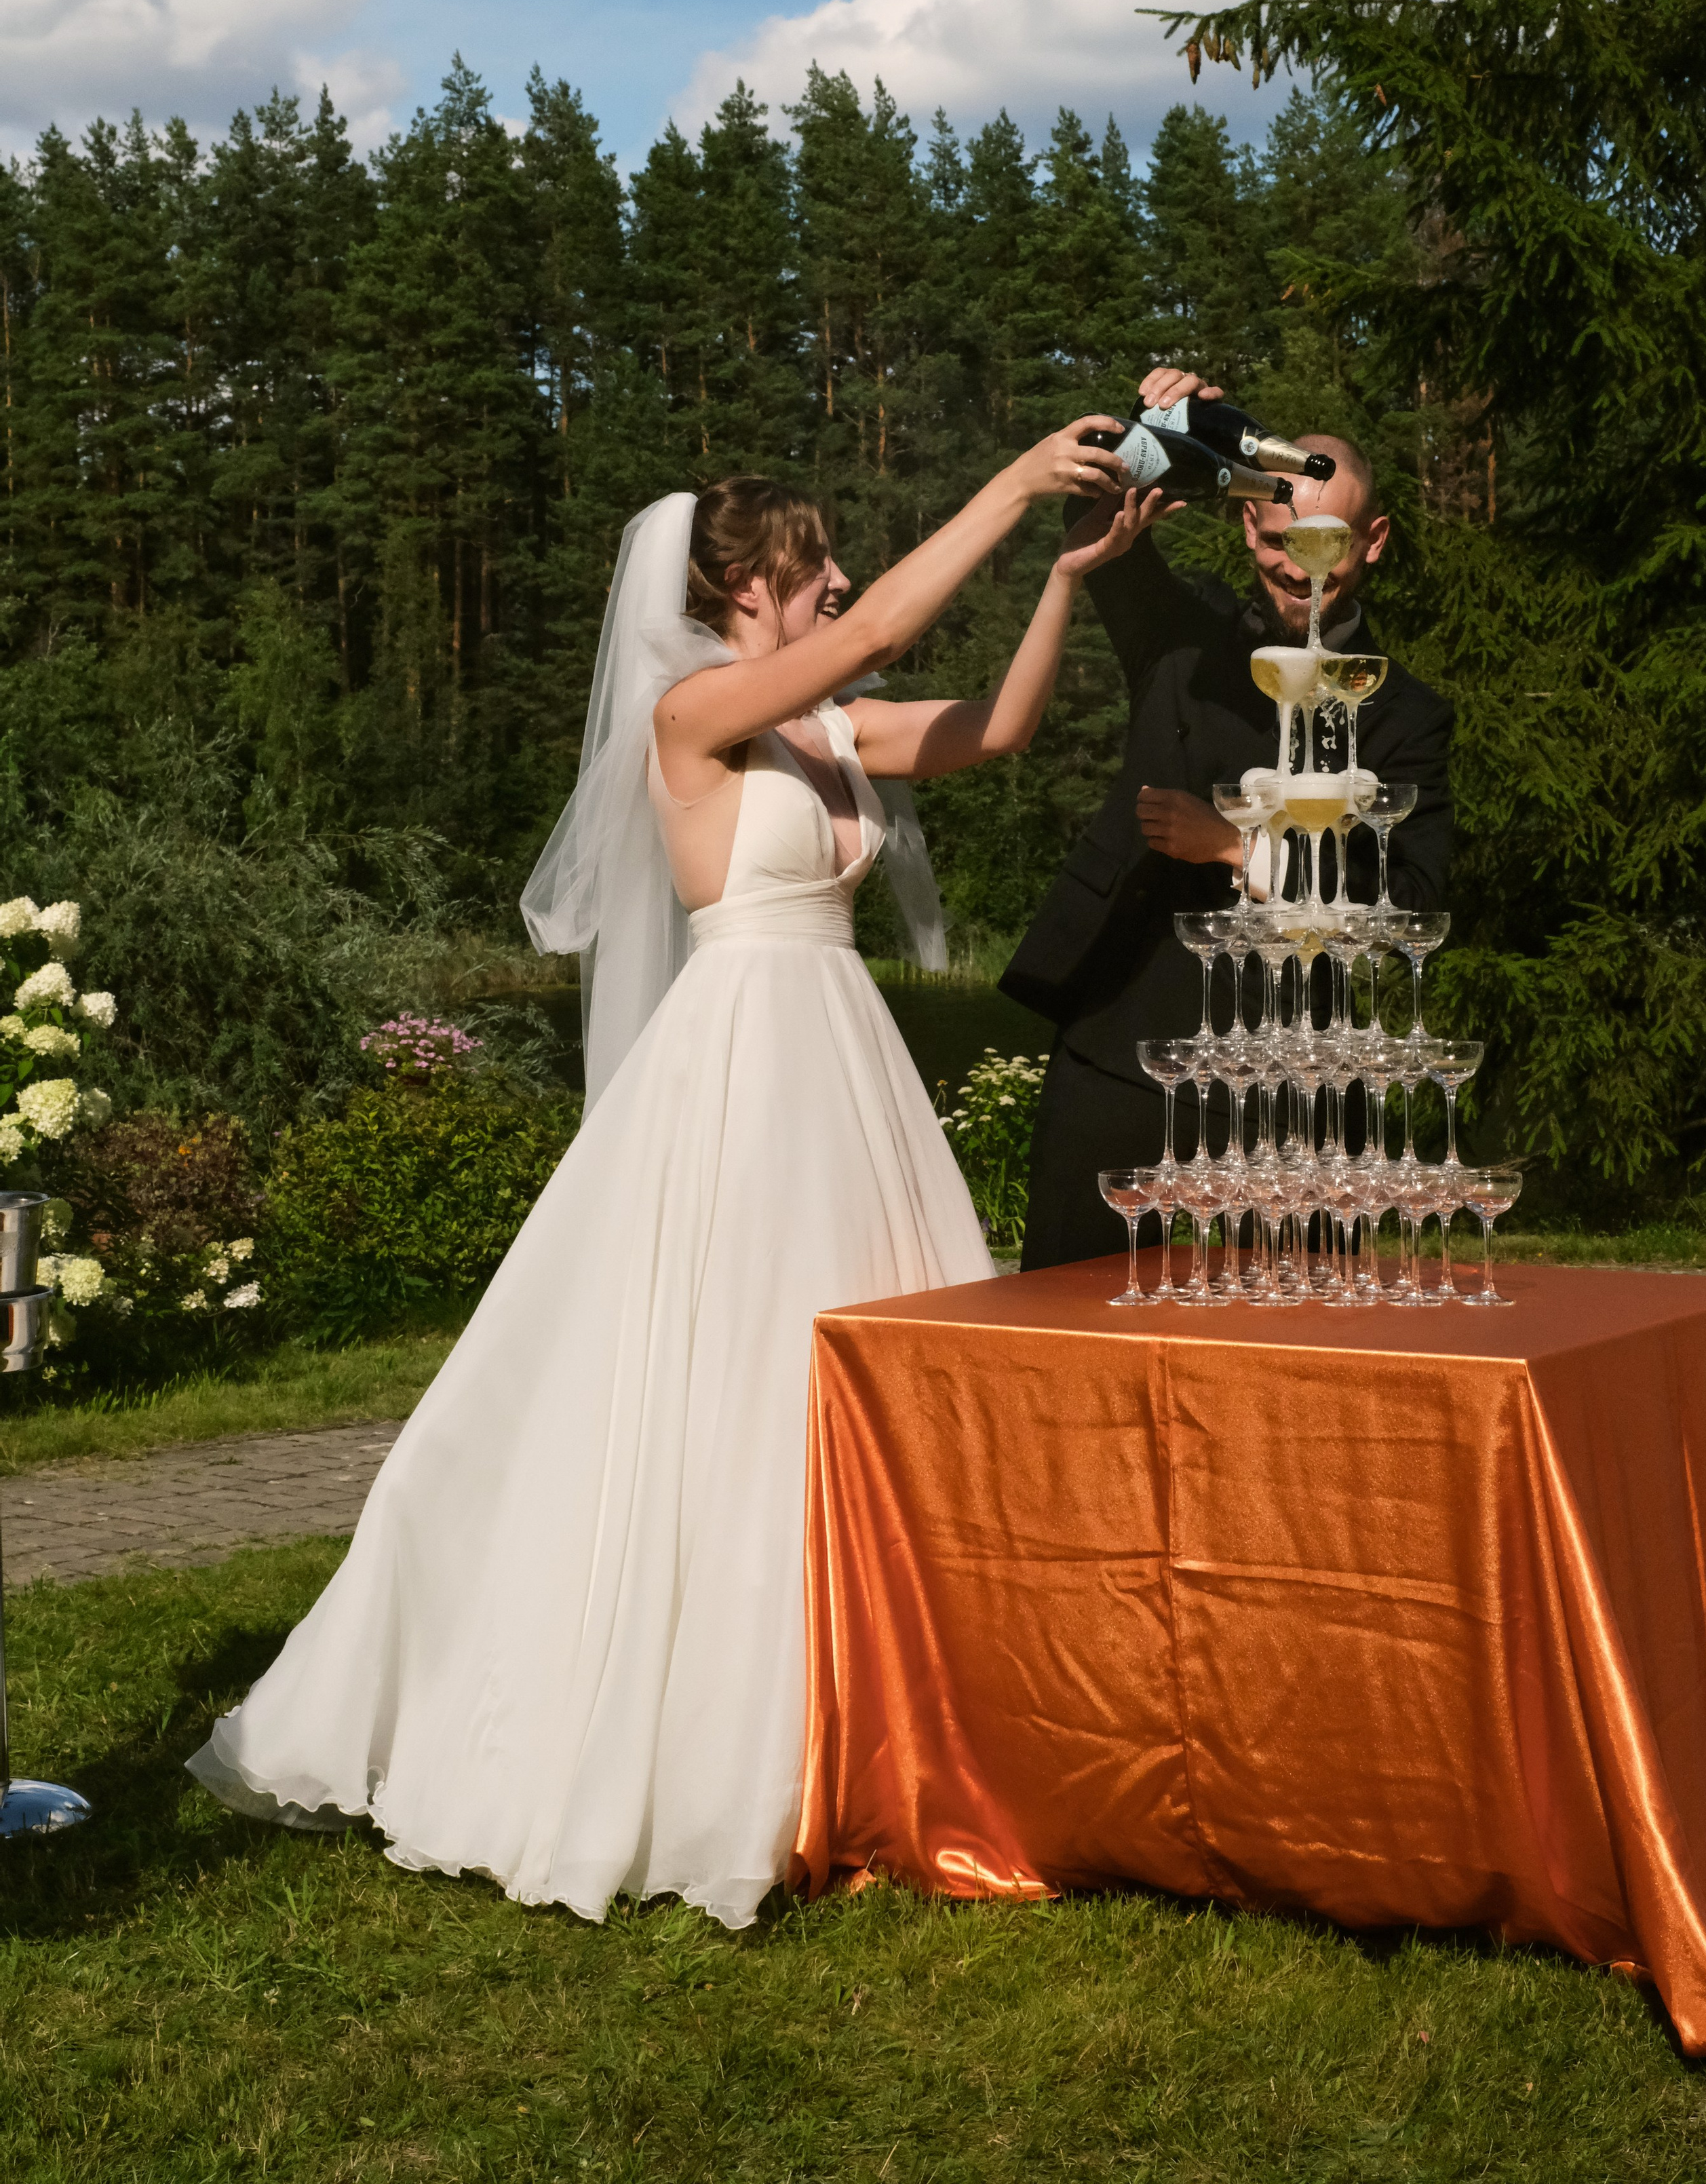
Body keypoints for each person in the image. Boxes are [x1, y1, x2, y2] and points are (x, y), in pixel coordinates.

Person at [187, 425, 1158, 1930]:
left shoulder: (831, 730)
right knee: (726, 1382)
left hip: (844, 1063)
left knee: (875, 1377)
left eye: (834, 562)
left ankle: (880, 1724)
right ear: (740, 589)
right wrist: (1016, 481)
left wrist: (1062, 574)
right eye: (810, 563)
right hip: (738, 1070)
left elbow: (995, 732)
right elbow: (895, 618)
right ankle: (709, 1738)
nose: (834, 579)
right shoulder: (695, 717)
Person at [1003, 366, 1454, 1273]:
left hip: (1302, 1069)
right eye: (1280, 537)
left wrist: (1238, 847)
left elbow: (1411, 900)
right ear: (1249, 517)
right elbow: (1092, 493)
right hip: (1125, 1033)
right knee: (1065, 1311)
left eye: (1325, 541)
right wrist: (1185, 424)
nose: (1299, 564)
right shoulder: (1181, 632)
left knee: (1307, 1342)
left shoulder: (1406, 714)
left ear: (1374, 542)